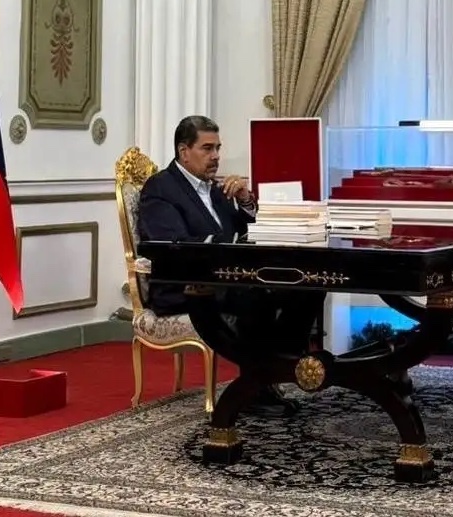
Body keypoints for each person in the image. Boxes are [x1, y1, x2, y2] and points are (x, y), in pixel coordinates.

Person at [138, 115, 326, 417]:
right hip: (186, 287)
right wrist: (232, 248)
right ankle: (257, 387)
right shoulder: (161, 188)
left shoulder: (216, 188)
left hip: (228, 279)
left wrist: (246, 200)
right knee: (256, 295)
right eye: (207, 148)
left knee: (309, 285)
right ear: (184, 151)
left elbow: (247, 231)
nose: (215, 156)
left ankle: (278, 366)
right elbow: (176, 246)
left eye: (218, 148)